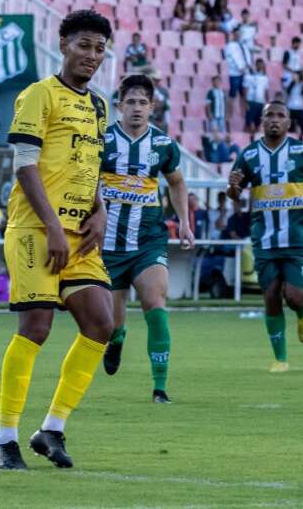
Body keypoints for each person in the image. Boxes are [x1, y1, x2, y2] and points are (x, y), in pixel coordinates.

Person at [0, 10, 115, 471]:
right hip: (35, 229)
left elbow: (90, 166)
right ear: (62, 44)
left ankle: (52, 429)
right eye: (84, 45)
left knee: (101, 324)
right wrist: (53, 228)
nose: (91, 56)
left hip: (80, 232)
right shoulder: (37, 95)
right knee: (37, 329)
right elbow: (25, 166)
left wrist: (100, 209)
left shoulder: (100, 106)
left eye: (99, 49)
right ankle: (5, 440)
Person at [99, 75, 195, 404]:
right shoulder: (101, 141)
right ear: (119, 106)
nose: (137, 108)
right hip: (107, 245)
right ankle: (117, 337)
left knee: (155, 305)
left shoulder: (164, 145)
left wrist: (183, 222)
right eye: (131, 102)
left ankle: (160, 388)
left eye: (143, 102)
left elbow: (177, 184)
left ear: (152, 107)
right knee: (111, 322)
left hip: (148, 241)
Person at [227, 101, 303, 372]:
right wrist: (233, 187)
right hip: (264, 238)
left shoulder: (302, 152)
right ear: (261, 121)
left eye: (280, 115)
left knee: (294, 296)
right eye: (269, 115)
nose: (274, 119)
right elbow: (234, 193)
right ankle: (280, 359)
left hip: (296, 237)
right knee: (271, 295)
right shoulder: (249, 155)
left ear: (288, 122)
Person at [223, 29, 253, 121]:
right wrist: (240, 67)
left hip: (245, 73)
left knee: (243, 94)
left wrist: (248, 66)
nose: (238, 36)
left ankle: (243, 113)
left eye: (239, 34)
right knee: (232, 93)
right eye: (236, 34)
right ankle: (228, 114)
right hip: (235, 73)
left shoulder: (243, 45)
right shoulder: (230, 46)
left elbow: (247, 56)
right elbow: (232, 58)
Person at [243, 59, 270, 134]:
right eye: (259, 64)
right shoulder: (249, 76)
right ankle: (246, 137)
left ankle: (256, 138)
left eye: (262, 64)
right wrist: (245, 102)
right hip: (251, 101)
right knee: (249, 122)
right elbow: (245, 89)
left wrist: (267, 103)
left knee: (258, 122)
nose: (260, 66)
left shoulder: (265, 78)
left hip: (260, 102)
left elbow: (266, 90)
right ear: (256, 65)